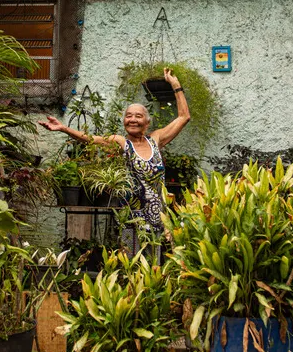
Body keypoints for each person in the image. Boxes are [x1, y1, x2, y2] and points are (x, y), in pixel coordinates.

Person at [38, 68, 190, 253]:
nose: (132, 119)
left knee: (156, 266)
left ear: (147, 122)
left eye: (138, 116)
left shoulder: (156, 140)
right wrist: (64, 128)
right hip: (131, 218)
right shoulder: (121, 142)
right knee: (133, 264)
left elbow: (184, 117)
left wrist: (175, 85)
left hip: (158, 217)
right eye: (129, 116)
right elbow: (91, 139)